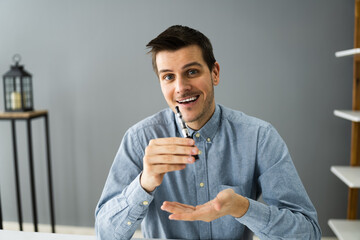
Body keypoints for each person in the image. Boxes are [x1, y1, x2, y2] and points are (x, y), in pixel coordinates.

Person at [95, 25, 321, 240]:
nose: (181, 87)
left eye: (191, 71)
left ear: (215, 73)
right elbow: (105, 233)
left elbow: (308, 233)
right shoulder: (139, 139)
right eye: (168, 77)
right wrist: (144, 183)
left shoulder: (260, 137)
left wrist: (243, 208)